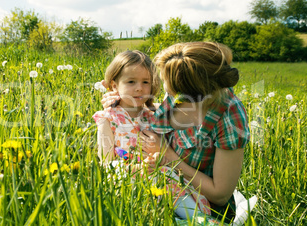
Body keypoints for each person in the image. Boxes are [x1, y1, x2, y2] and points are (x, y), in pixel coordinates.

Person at [101, 42, 250, 223]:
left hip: (201, 203)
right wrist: (122, 103)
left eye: (164, 83)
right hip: (160, 183)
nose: (163, 88)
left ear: (190, 89)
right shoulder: (176, 96)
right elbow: (155, 109)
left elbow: (220, 195)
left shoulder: (228, 116)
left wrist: (168, 156)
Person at [93, 50, 211, 218]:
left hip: (159, 174)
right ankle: (197, 220)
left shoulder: (154, 114)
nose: (139, 88)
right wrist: (137, 169)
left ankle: (199, 219)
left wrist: (158, 160)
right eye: (131, 82)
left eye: (145, 82)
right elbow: (106, 163)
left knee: (171, 181)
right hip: (127, 180)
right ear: (114, 86)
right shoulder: (107, 119)